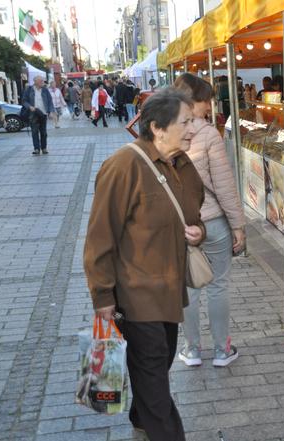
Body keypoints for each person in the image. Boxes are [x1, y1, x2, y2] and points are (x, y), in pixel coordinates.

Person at [84, 88, 204, 441]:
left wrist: (198, 231)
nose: (194, 128)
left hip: (169, 290)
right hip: (135, 295)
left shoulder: (181, 162)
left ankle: (141, 421)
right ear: (157, 128)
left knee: (157, 365)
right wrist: (103, 296)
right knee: (153, 378)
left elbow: (192, 214)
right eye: (186, 121)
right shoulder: (123, 166)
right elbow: (99, 238)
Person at [173, 73, 245, 367]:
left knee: (188, 287)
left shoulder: (163, 131)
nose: (209, 106)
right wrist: (238, 224)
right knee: (217, 285)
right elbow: (225, 185)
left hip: (180, 223)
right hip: (213, 221)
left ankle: (191, 350)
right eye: (207, 100)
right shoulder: (207, 134)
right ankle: (221, 350)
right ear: (196, 101)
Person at [22, 75, 55, 155]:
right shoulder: (29, 90)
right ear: (35, 82)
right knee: (34, 131)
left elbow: (50, 101)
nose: (43, 82)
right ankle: (36, 148)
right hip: (33, 113)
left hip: (43, 113)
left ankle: (44, 148)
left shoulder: (45, 90)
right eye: (41, 81)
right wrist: (29, 107)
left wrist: (50, 112)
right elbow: (24, 101)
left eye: (43, 81)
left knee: (43, 132)